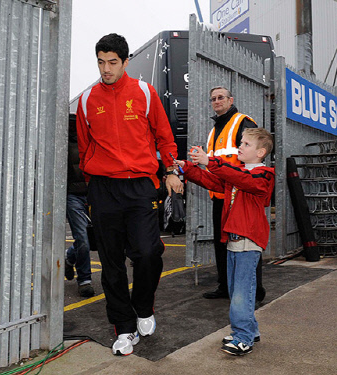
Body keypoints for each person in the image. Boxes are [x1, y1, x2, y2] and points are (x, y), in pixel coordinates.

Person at [76, 33, 183, 356]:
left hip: (140, 186)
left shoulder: (145, 94)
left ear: (125, 62)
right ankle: (123, 328)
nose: (105, 69)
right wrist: (93, 182)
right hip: (103, 188)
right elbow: (84, 147)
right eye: (100, 62)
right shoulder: (86, 100)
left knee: (148, 252)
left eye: (112, 62)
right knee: (110, 263)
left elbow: (165, 138)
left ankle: (143, 307)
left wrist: (171, 172)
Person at [176, 128, 274, 356]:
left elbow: (243, 180)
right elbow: (212, 181)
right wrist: (188, 167)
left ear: (260, 152)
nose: (240, 147)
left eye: (246, 144)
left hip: (248, 242)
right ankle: (250, 330)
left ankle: (243, 338)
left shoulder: (264, 175)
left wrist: (209, 160)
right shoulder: (236, 173)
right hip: (233, 241)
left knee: (241, 292)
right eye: (241, 142)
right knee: (237, 290)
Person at [203, 86, 266, 303]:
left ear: (231, 100)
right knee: (222, 244)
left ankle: (255, 290)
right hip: (219, 196)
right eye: (213, 99)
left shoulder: (242, 122)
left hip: (239, 196)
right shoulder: (214, 130)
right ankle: (225, 286)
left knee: (245, 245)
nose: (217, 101)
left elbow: (256, 152)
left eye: (221, 97)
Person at [65, 114, 94, 298]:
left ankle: (69, 257)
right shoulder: (60, 145)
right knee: (83, 238)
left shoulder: (91, 140)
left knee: (91, 237)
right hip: (72, 195)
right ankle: (85, 280)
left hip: (93, 193)